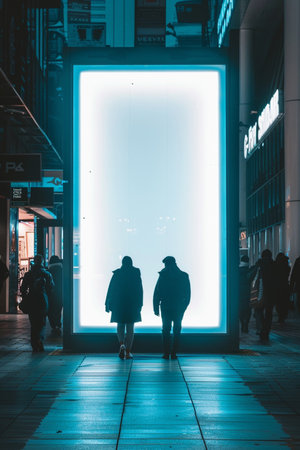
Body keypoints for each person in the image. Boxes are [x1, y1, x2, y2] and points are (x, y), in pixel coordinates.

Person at [105, 256, 143, 360]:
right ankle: (128, 351)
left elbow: (111, 289)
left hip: (119, 304)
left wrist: (107, 303)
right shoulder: (135, 273)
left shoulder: (117, 273)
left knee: (120, 326)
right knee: (130, 328)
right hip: (132, 304)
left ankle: (121, 344)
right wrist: (140, 304)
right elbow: (139, 290)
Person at [153, 256, 191, 360]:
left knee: (165, 329)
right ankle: (174, 353)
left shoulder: (163, 275)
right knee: (177, 329)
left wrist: (156, 307)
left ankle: (166, 353)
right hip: (179, 306)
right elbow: (187, 293)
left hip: (165, 306)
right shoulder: (183, 275)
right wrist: (184, 306)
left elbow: (157, 292)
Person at [20, 254, 54, 352]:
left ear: (34, 261)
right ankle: (39, 339)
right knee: (42, 322)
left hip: (32, 299)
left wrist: (25, 297)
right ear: (42, 262)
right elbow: (51, 288)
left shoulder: (28, 274)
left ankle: (34, 342)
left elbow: (23, 288)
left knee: (33, 322)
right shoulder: (47, 274)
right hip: (43, 300)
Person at [254, 249, 276, 342]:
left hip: (260, 292)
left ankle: (261, 328)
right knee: (269, 313)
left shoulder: (259, 264)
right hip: (271, 293)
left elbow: (254, 278)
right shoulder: (274, 265)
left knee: (258, 310)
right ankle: (266, 330)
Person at [48, 255, 63, 335]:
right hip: (60, 293)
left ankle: (53, 325)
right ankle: (58, 323)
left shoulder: (48, 271)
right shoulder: (62, 270)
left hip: (51, 293)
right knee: (58, 309)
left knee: (51, 310)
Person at [274, 253, 290, 323]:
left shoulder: (276, 266)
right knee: (284, 301)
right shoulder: (287, 267)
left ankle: (280, 316)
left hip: (277, 286)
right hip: (285, 286)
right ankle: (283, 315)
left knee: (279, 302)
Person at [239, 255, 252, 333]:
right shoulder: (250, 270)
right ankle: (246, 324)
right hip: (248, 292)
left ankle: (242, 323)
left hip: (239, 292)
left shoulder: (237, 270)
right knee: (248, 309)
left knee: (240, 309)